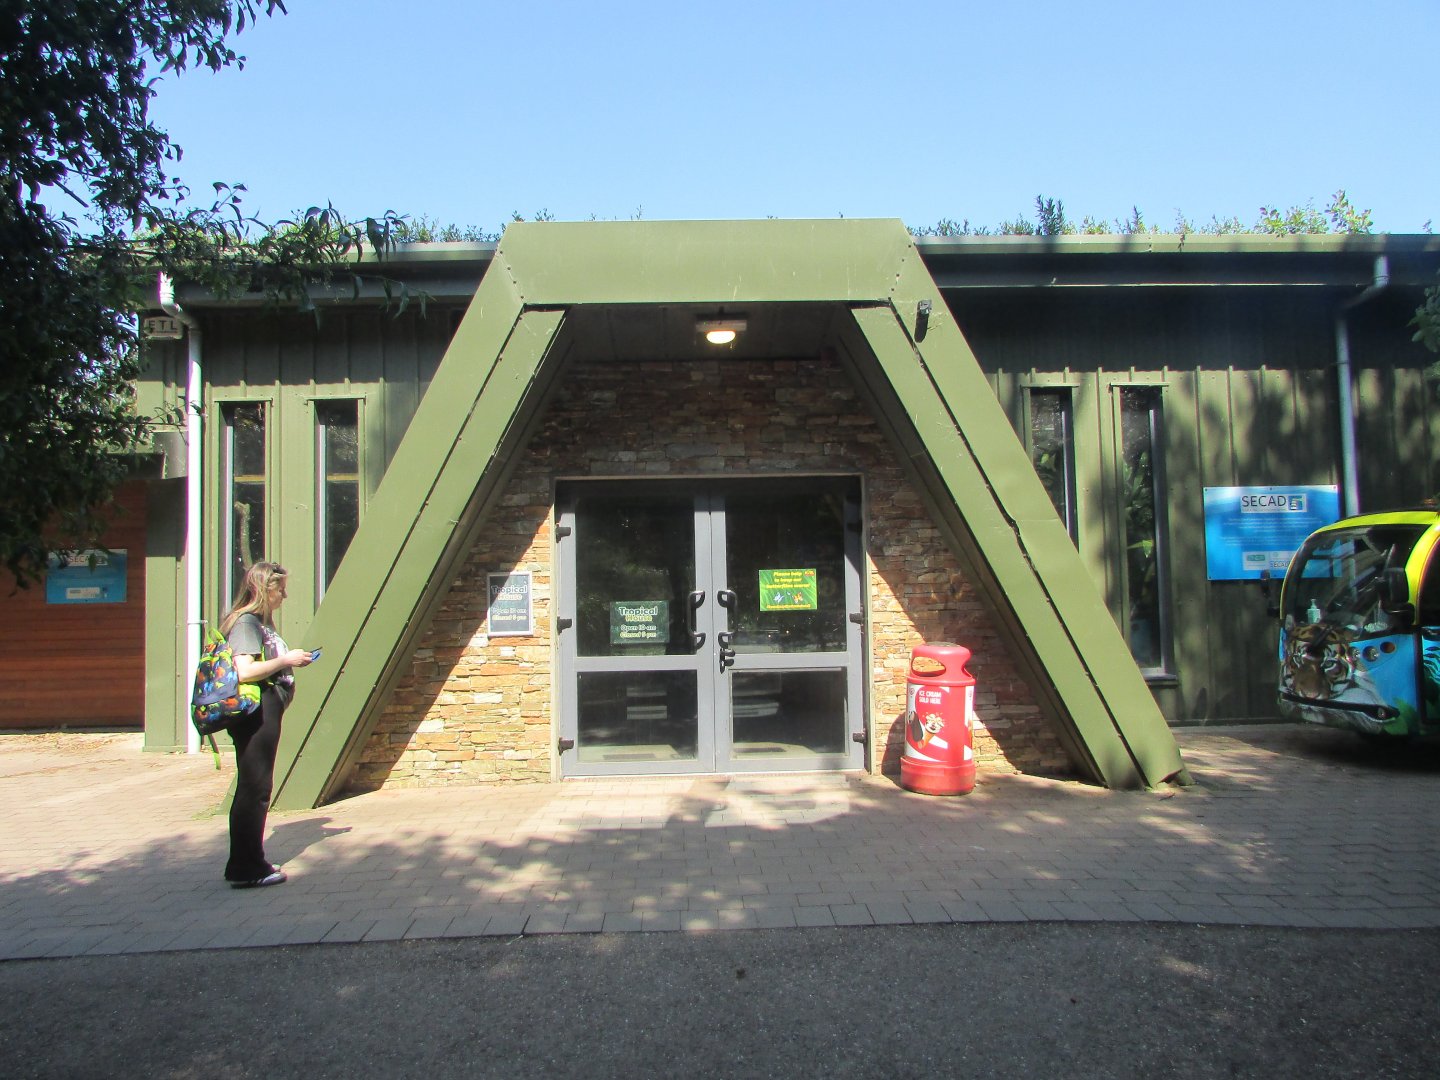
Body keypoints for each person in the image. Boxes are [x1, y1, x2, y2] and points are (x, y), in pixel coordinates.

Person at [218, 562, 314, 888]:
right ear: (263, 588)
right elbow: (243, 671)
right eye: (280, 589)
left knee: (256, 786)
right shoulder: (246, 623)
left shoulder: (257, 622)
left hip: (266, 710)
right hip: (256, 712)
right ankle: (248, 868)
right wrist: (286, 661)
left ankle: (249, 861)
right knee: (254, 788)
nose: (284, 595)